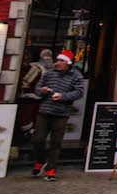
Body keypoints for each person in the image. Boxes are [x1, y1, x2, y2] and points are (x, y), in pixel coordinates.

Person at [30, 51, 85, 181]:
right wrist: (41, 91)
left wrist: (63, 96)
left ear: (68, 63)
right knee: (38, 139)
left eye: (61, 61)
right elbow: (37, 88)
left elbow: (79, 92)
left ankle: (51, 169)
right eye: (58, 60)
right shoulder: (49, 73)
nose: (58, 63)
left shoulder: (76, 76)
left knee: (56, 142)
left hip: (61, 113)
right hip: (45, 111)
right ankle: (40, 160)